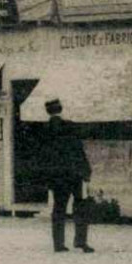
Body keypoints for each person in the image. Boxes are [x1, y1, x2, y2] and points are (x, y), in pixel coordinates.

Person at [41, 98, 94, 253]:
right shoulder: (70, 126)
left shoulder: (44, 130)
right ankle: (80, 241)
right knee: (80, 206)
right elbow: (78, 150)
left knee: (58, 208)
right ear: (61, 109)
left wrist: (46, 178)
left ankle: (58, 244)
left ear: (47, 111)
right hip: (74, 173)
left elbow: (42, 156)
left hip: (57, 176)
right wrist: (86, 171)